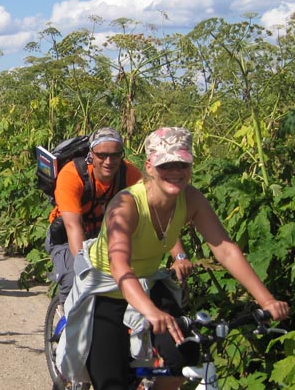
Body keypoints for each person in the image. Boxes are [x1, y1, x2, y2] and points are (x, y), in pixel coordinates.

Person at [55, 126, 289, 390]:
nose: (176, 172)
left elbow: (225, 248)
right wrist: (150, 312)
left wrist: (265, 300)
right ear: (149, 167)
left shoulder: (191, 200)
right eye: (167, 165)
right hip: (106, 293)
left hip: (147, 283)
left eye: (182, 164)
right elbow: (122, 269)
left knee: (188, 351)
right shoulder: (127, 206)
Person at [46, 127, 192, 304]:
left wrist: (179, 256)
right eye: (102, 155)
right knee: (74, 281)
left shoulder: (128, 173)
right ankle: (68, 326)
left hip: (108, 235)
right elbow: (72, 226)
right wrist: (83, 266)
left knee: (135, 279)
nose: (109, 161)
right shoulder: (72, 175)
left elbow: (157, 215)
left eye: (115, 155)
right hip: (67, 237)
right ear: (91, 154)